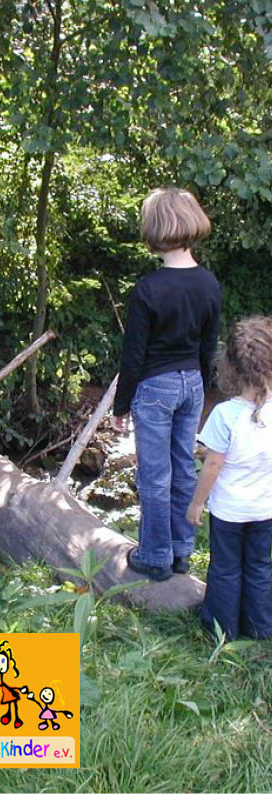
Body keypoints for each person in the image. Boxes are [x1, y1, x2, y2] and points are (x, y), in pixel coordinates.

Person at [112, 187, 221, 581]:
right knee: (183, 469)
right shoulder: (208, 283)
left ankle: (156, 556)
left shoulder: (149, 289)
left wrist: (120, 408)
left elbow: (134, 355)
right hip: (191, 383)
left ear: (154, 229)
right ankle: (180, 551)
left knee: (154, 476)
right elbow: (208, 346)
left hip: (156, 388)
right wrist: (203, 390)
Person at [186, 316, 272, 640]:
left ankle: (221, 629)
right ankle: (261, 627)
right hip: (265, 511)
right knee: (259, 567)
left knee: (225, 569)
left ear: (231, 366)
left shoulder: (225, 414)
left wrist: (197, 503)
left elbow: (212, 466)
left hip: (229, 513)